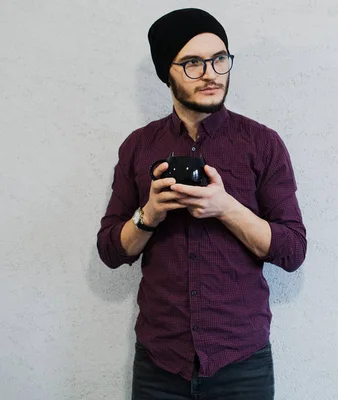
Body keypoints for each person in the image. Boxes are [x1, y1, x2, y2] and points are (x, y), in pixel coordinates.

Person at [96, 8, 307, 399]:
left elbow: (293, 251)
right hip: (160, 362)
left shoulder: (262, 144)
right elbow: (110, 250)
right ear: (167, 72)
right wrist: (150, 214)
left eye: (219, 58)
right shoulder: (138, 146)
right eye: (192, 62)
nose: (211, 73)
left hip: (242, 360)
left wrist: (225, 208)